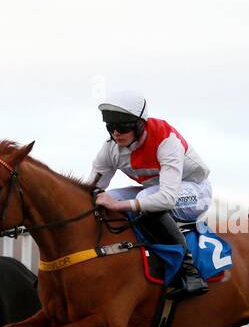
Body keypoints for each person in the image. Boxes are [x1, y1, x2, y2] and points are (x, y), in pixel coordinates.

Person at [89, 90, 212, 298]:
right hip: (154, 191)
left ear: (140, 124)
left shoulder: (166, 140)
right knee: (105, 198)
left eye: (123, 127)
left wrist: (120, 206)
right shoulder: (109, 148)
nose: (116, 133)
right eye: (111, 127)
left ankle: (189, 272)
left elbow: (166, 198)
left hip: (195, 191)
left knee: (142, 200)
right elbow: (91, 188)